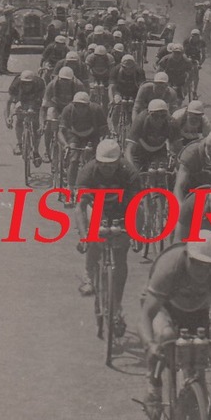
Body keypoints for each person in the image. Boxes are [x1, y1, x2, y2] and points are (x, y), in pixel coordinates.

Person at [140, 232, 211, 419]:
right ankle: (153, 384)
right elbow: (147, 314)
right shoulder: (169, 266)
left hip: (196, 309)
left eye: (208, 266)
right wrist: (150, 344)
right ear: (187, 256)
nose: (202, 272)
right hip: (163, 306)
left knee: (198, 364)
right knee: (166, 336)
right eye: (197, 264)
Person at [74, 138, 139, 333]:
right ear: (97, 161)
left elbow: (138, 206)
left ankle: (116, 307)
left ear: (119, 161)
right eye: (103, 165)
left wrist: (135, 232)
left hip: (122, 210)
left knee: (120, 258)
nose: (107, 169)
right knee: (95, 235)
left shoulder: (130, 173)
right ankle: (88, 274)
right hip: (97, 208)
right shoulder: (87, 172)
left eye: (112, 165)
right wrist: (84, 236)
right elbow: (80, 208)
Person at [60, 90, 108, 186]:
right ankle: (70, 188)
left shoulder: (97, 110)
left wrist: (102, 145)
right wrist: (65, 145)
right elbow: (60, 131)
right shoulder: (67, 110)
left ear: (88, 105)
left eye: (83, 106)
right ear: (73, 104)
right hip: (73, 135)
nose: (80, 109)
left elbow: (104, 129)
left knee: (93, 161)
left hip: (92, 135)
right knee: (73, 159)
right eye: (77, 105)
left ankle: (91, 184)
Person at [175, 126, 211, 202]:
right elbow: (179, 186)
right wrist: (180, 208)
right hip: (186, 189)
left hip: (207, 190)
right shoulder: (190, 154)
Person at [43, 64, 84, 160]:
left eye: (67, 81)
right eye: (63, 80)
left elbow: (83, 104)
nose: (64, 83)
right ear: (59, 78)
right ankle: (47, 150)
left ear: (72, 80)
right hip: (55, 106)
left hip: (71, 107)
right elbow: (44, 105)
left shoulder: (78, 85)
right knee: (50, 122)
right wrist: (43, 122)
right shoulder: (52, 85)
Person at [127, 98, 176, 173]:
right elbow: (129, 149)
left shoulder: (171, 122)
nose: (159, 119)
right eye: (155, 116)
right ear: (148, 114)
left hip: (159, 152)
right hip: (138, 152)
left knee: (162, 173)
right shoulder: (140, 120)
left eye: (163, 116)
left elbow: (177, 148)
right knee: (136, 177)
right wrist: (132, 169)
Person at [5, 69, 46, 158]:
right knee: (19, 117)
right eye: (24, 83)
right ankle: (19, 144)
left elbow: (43, 104)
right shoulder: (16, 85)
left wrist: (42, 122)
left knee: (36, 125)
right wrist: (8, 117)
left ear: (33, 82)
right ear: (21, 82)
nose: (26, 86)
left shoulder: (39, 84)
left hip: (35, 101)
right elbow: (10, 102)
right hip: (21, 100)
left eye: (29, 83)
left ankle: (35, 150)